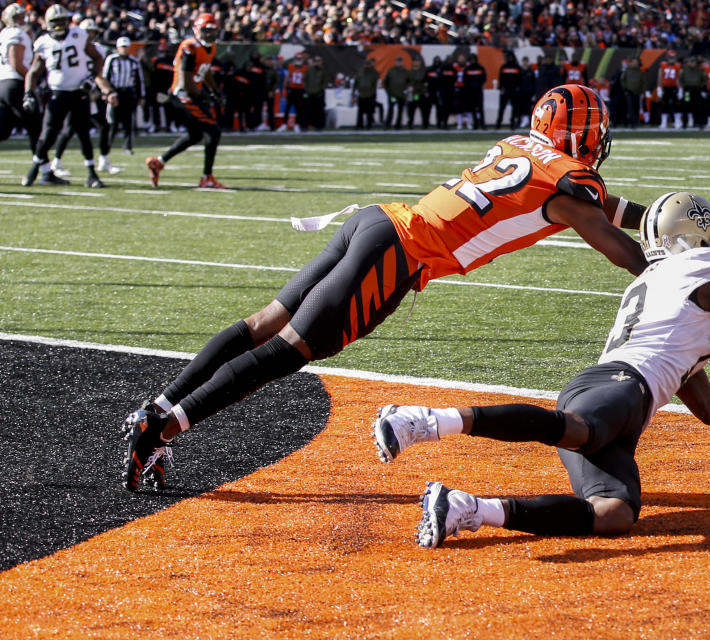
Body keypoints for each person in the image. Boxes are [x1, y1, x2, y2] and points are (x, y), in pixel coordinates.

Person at [120, 84, 652, 493]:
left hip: (379, 220)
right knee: (285, 353)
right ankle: (159, 433)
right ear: (581, 134)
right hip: (398, 256)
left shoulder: (521, 147)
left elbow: (598, 206)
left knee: (264, 323)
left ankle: (158, 405)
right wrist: (673, 268)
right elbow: (613, 241)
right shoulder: (567, 188)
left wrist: (658, 218)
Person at [371, 191, 710, 549]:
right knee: (579, 433)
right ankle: (426, 420)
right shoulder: (707, 275)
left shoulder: (675, 297)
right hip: (616, 389)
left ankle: (468, 509)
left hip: (617, 398)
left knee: (615, 514)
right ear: (698, 233)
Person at [22, 4, 118, 188]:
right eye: (55, 22)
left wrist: (91, 78)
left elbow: (97, 58)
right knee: (49, 133)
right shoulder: (43, 42)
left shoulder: (78, 35)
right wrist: (28, 93)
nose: (59, 26)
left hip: (79, 92)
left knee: (83, 132)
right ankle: (34, 169)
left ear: (67, 22)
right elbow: (33, 72)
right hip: (57, 92)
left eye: (61, 22)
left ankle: (91, 174)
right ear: (48, 24)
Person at [145, 13, 227, 190]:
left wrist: (215, 90)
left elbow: (205, 71)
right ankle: (207, 177)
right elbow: (187, 80)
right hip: (183, 94)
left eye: (213, 31)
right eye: (206, 30)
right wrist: (205, 95)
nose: (210, 34)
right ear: (197, 30)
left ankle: (158, 162)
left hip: (192, 94)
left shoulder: (210, 48)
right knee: (213, 131)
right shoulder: (189, 46)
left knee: (195, 135)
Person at [0, 3, 40, 152]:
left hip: (3, 83)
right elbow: (15, 63)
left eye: (23, 16)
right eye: (18, 17)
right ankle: (43, 171)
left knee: (3, 131)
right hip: (15, 83)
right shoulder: (17, 33)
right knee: (36, 127)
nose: (22, 20)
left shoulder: (4, 33)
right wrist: (31, 79)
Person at [102, 36, 145, 157]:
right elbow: (105, 77)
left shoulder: (134, 61)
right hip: (116, 93)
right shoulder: (112, 59)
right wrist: (107, 92)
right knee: (113, 122)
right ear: (117, 47)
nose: (124, 50)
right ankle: (108, 146)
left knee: (128, 122)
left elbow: (139, 79)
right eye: (122, 47)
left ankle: (127, 146)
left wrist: (142, 96)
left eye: (126, 47)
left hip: (128, 93)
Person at [278, 51, 307, 132]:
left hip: (300, 90)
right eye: (297, 58)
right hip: (292, 89)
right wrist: (284, 89)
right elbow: (286, 78)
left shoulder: (305, 68)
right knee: (287, 107)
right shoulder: (291, 67)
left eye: (299, 58)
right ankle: (284, 124)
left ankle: (297, 124)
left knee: (299, 109)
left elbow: (306, 80)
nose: (298, 60)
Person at [495, 51, 521, 129]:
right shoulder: (503, 67)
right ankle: (498, 124)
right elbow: (500, 78)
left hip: (514, 91)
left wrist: (518, 88)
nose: (510, 58)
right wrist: (501, 88)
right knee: (502, 108)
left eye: (511, 57)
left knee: (514, 109)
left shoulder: (517, 67)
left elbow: (520, 79)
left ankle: (512, 124)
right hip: (505, 91)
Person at [678, 56, 705, 130]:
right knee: (685, 107)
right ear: (689, 63)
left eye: (694, 62)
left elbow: (704, 80)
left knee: (698, 107)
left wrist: (700, 86)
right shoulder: (684, 70)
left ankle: (700, 124)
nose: (693, 63)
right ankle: (684, 124)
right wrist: (683, 87)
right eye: (691, 62)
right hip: (687, 91)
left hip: (696, 91)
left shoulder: (699, 71)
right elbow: (680, 80)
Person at [657, 49, 681, 129]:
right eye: (670, 56)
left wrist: (680, 89)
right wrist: (659, 88)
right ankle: (663, 123)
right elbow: (660, 77)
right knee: (664, 105)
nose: (672, 58)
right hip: (665, 87)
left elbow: (680, 78)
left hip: (674, 87)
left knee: (676, 105)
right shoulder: (663, 65)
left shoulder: (678, 66)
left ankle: (677, 122)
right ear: (667, 56)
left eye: (673, 56)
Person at [354, 57, 379, 130]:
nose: (367, 66)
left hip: (370, 94)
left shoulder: (374, 72)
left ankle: (369, 125)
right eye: (366, 64)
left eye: (368, 64)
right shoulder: (360, 72)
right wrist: (355, 91)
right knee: (360, 111)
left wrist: (373, 93)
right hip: (361, 94)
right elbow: (356, 82)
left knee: (369, 111)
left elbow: (374, 84)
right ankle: (359, 125)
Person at [384, 55, 409, 130]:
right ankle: (388, 125)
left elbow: (409, 82)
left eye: (400, 61)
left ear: (402, 62)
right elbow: (386, 82)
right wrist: (389, 92)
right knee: (390, 110)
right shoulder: (391, 71)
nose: (398, 63)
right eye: (397, 61)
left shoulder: (406, 72)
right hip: (392, 94)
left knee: (400, 111)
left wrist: (406, 91)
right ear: (395, 62)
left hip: (401, 95)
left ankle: (398, 125)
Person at [304, 55, 328, 130]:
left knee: (319, 111)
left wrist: (319, 90)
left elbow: (325, 82)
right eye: (316, 61)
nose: (317, 63)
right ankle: (307, 125)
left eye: (319, 61)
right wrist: (307, 89)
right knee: (308, 110)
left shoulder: (323, 71)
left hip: (319, 94)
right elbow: (305, 80)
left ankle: (319, 126)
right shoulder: (309, 70)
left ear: (321, 62)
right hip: (310, 93)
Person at [405, 56, 426, 128]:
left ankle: (424, 124)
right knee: (411, 110)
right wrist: (408, 87)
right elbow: (406, 82)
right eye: (414, 61)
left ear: (420, 62)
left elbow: (422, 82)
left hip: (420, 93)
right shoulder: (409, 72)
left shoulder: (423, 72)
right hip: (411, 94)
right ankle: (410, 123)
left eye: (417, 61)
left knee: (423, 110)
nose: (416, 63)